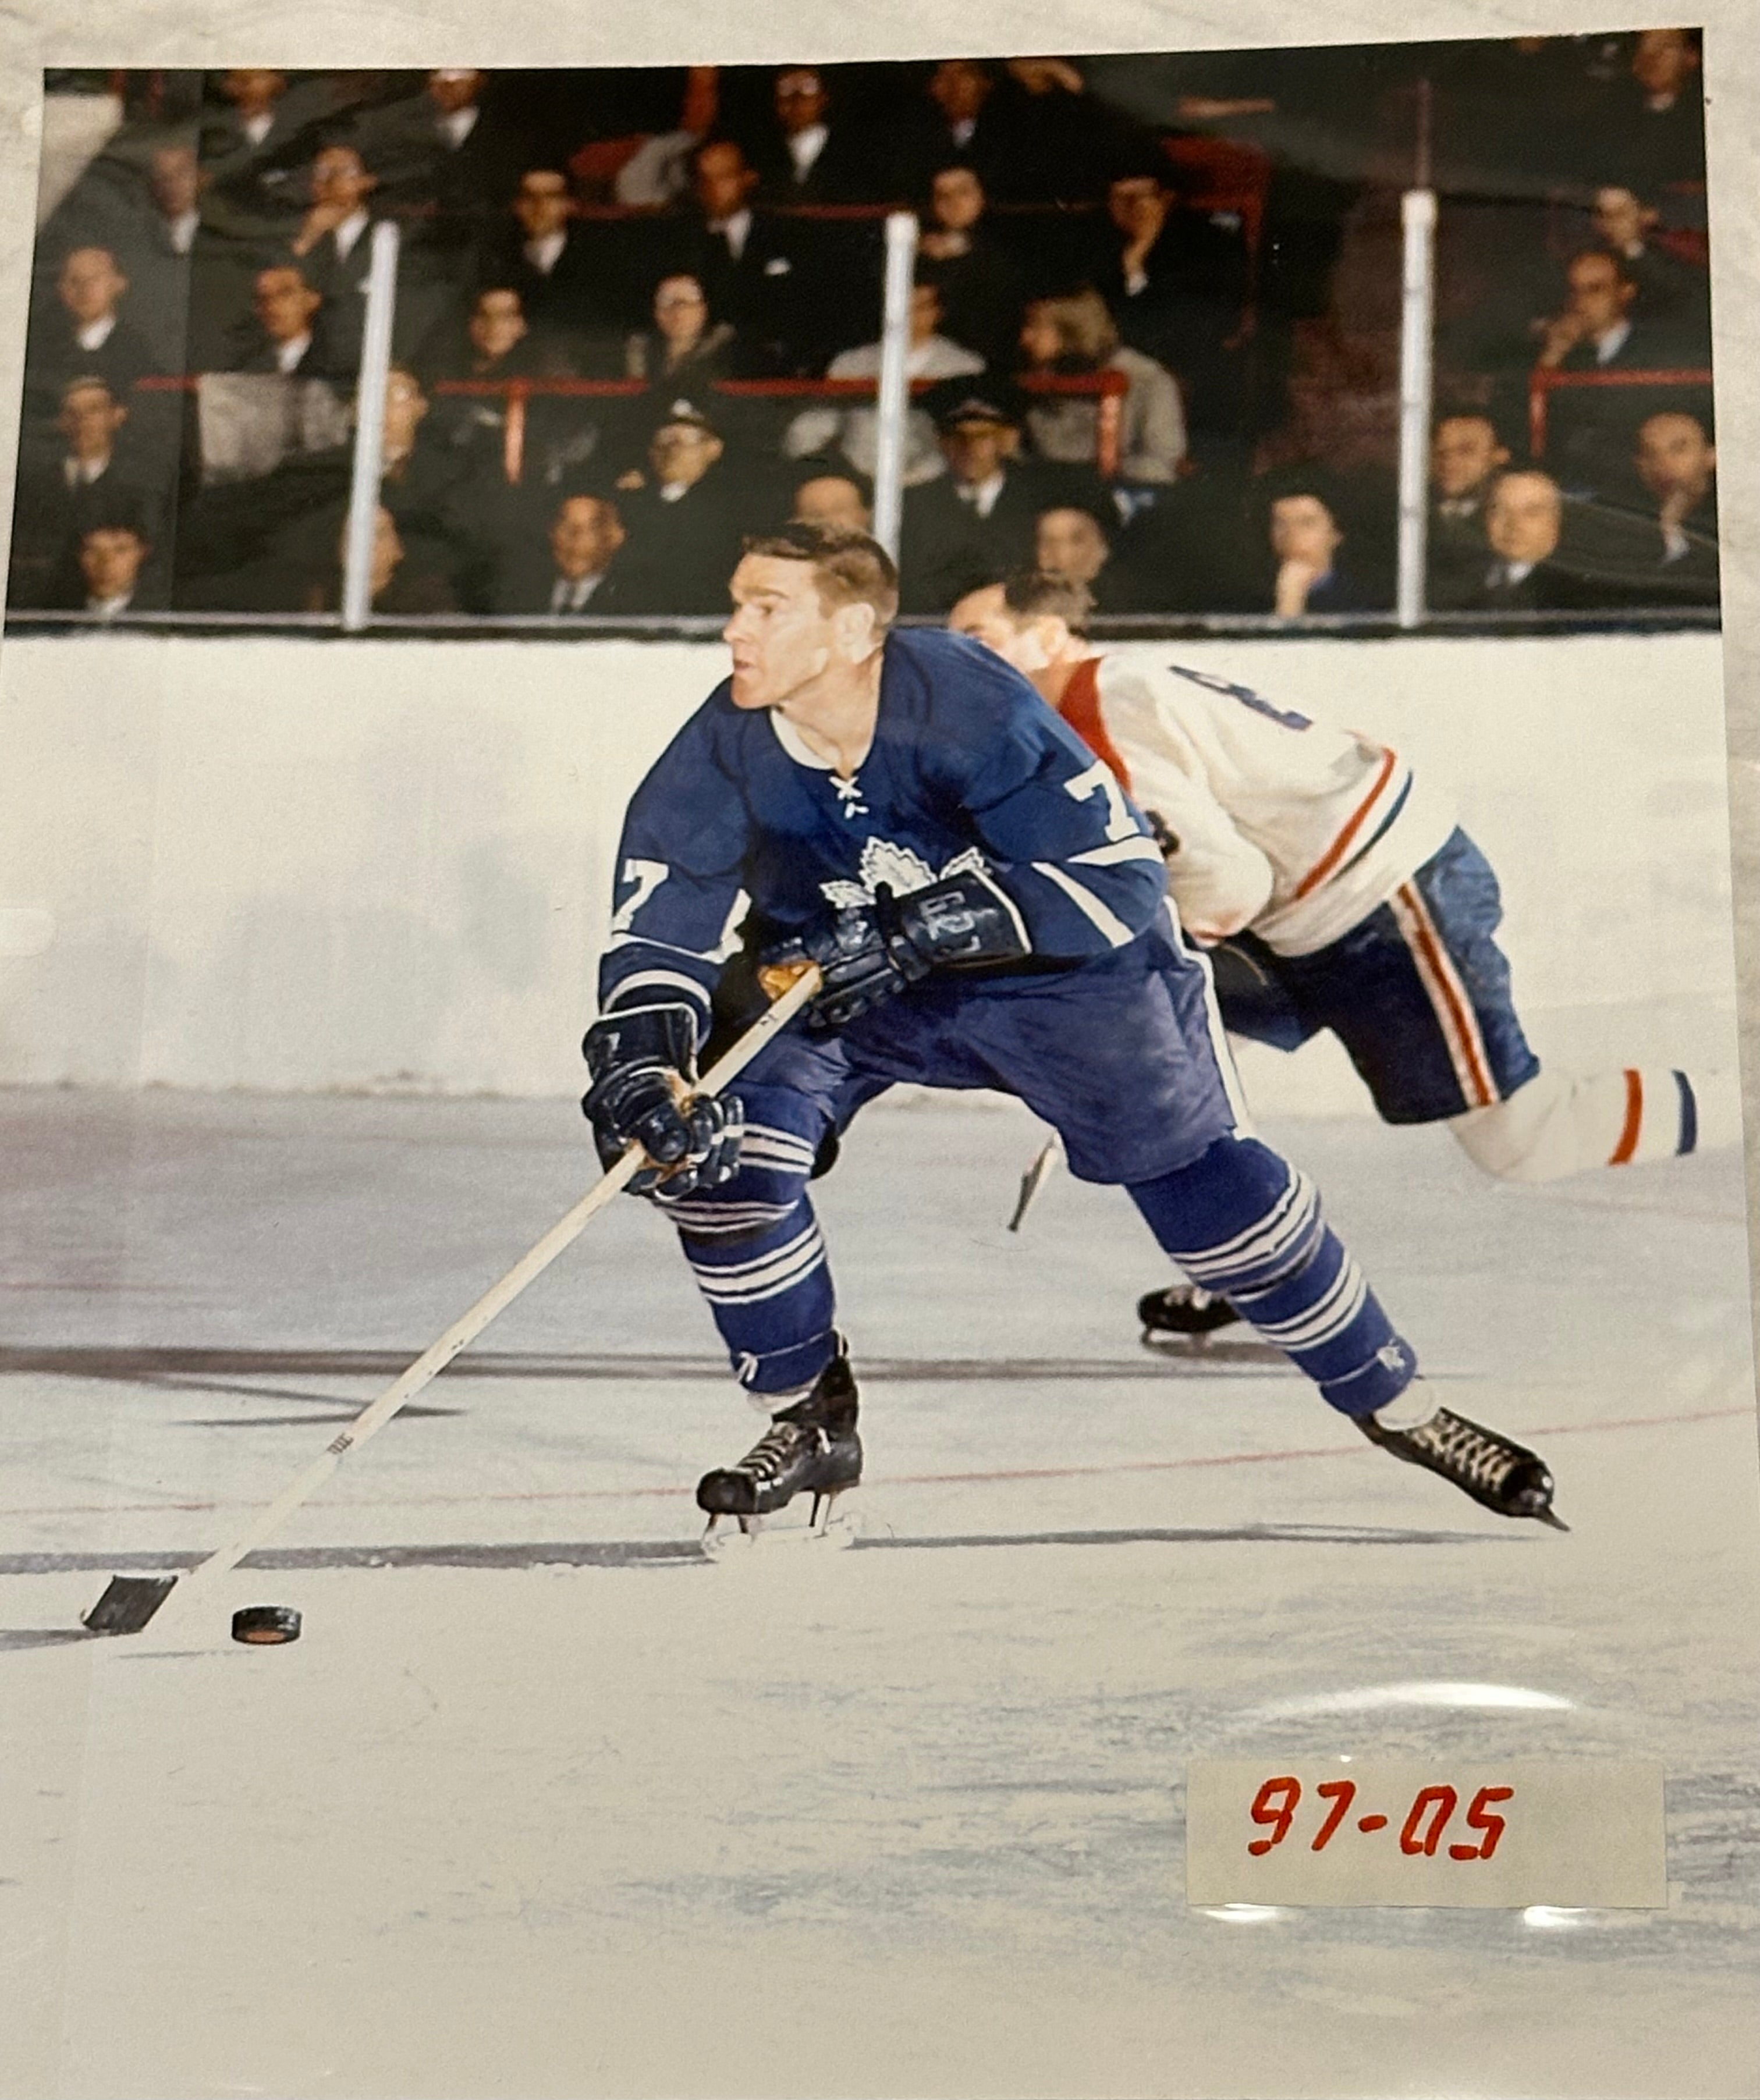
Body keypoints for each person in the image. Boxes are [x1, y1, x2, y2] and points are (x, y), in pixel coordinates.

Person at [580, 522, 1562, 1532]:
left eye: (764, 606)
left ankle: (1394, 1401)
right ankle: (806, 1414)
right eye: (736, 601)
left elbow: (1119, 878)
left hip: (1059, 976)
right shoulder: (718, 743)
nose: (733, 628)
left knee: (1211, 1197)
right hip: (841, 976)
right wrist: (646, 1062)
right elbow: (658, 922)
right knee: (713, 1154)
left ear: (852, 627)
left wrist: (932, 924)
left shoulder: (962, 695)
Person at [948, 570, 1736, 1339]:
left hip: (1382, 896)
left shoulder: (1099, 712)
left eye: (980, 640)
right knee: (1189, 1074)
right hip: (1312, 906)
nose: (960, 665)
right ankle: (1261, 1269)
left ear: (1050, 636)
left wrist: (1132, 979)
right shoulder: (1109, 691)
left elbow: (1225, 882)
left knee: (1524, 1139)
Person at [782, 275, 983, 486]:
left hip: (938, 484)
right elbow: (822, 422)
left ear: (938, 313)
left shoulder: (966, 367)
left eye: (921, 307)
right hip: (859, 481)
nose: (909, 315)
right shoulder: (850, 364)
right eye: (901, 305)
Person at [1017, 287, 1186, 485]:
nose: (1024, 339)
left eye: (1035, 327)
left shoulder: (1148, 382)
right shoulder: (1035, 382)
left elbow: (1163, 467)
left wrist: (1102, 471)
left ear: (1072, 330)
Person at [913, 164, 1024, 376]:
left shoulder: (1011, 250)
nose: (953, 203)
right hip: (933, 364)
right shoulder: (918, 254)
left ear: (983, 195)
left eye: (963, 192)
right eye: (943, 196)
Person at [1467, 468, 1593, 612]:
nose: (1514, 525)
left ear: (1558, 520)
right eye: (1500, 510)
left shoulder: (1579, 595)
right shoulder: (1458, 577)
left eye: (1531, 513)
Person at [493, 490, 629, 614]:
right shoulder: (518, 594)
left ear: (614, 538)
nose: (575, 539)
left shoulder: (628, 604)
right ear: (551, 532)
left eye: (591, 529)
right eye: (565, 526)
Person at [1427, 413, 1511, 612]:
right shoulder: (1404, 517)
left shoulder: (1514, 522)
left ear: (1500, 456)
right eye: (1440, 451)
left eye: (1466, 451)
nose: (1449, 462)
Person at [624, 272, 741, 388]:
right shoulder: (639, 349)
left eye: (686, 303)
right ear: (656, 312)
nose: (677, 313)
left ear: (703, 310)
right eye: (667, 304)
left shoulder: (726, 348)